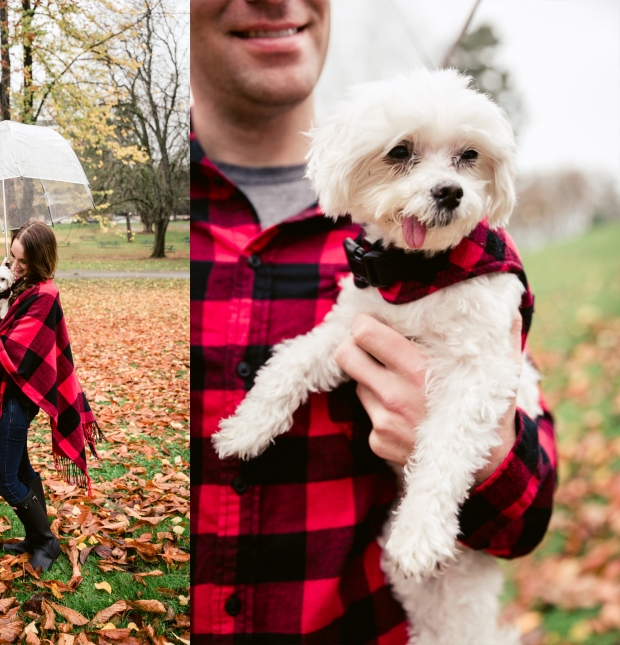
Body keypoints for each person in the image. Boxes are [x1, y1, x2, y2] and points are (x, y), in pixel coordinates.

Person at [189, 1, 557, 642]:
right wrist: (270, 402)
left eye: (466, 158)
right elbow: (338, 339)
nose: (444, 182)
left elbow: (527, 518)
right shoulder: (372, 264)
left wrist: (487, 460)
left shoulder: (484, 273)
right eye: (404, 156)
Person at [0, 220, 102, 571]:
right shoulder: (21, 285)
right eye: (12, 258)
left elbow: (18, 347)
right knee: (19, 467)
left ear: (39, 261)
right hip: (10, 392)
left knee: (2, 478)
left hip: (20, 396)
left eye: (22, 263)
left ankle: (46, 540)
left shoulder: (44, 294)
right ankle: (35, 537)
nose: (13, 267)